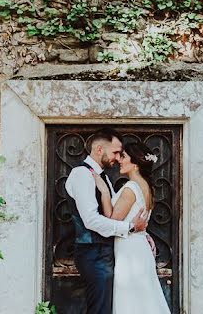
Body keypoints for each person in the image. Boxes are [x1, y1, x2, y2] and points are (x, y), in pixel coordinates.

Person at [64, 128, 149, 314]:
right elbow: (92, 221)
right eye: (116, 152)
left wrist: (143, 232)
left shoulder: (104, 178)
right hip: (92, 253)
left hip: (106, 253)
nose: (118, 158)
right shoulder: (81, 174)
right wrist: (131, 228)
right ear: (100, 149)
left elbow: (116, 213)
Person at [93, 141, 171, 314]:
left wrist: (105, 192)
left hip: (130, 250)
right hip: (138, 246)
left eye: (123, 156)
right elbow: (138, 218)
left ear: (134, 163)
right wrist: (144, 233)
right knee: (144, 300)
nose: (119, 160)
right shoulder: (147, 187)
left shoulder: (130, 188)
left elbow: (112, 221)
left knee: (130, 301)